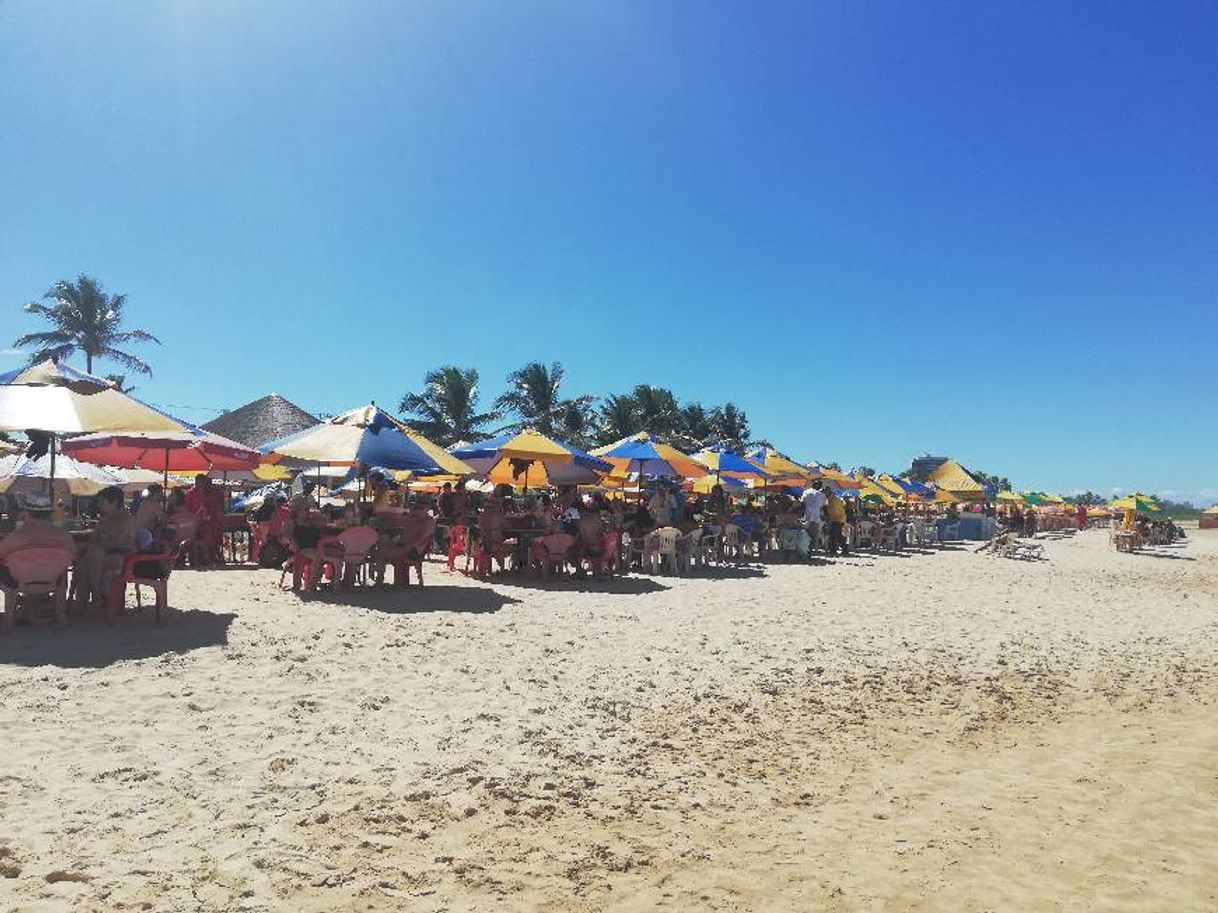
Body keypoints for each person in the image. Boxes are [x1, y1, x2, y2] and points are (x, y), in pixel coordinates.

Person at [0, 492, 75, 589]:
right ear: (50, 513)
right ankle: (60, 603)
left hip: (18, 582)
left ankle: (12, 602)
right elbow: (73, 556)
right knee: (63, 571)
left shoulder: (15, 537)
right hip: (53, 580)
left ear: (26, 512)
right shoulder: (64, 536)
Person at [82, 486, 136, 607]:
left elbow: (117, 543)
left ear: (114, 502)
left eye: (102, 502)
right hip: (105, 553)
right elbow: (93, 540)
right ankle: (82, 603)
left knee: (92, 556)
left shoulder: (126, 519)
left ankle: (95, 595)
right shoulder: (104, 519)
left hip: (124, 557)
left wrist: (98, 545)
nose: (99, 505)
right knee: (84, 561)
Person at [799, 480, 827, 551]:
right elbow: (823, 506)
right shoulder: (822, 494)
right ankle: (814, 549)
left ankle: (807, 548)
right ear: (819, 486)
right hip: (816, 517)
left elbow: (802, 503)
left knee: (806, 533)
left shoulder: (806, 492)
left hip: (807, 516)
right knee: (815, 534)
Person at [825, 490, 850, 557]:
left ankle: (833, 550)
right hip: (841, 519)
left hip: (835, 519)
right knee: (840, 537)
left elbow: (832, 510)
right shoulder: (838, 499)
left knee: (833, 536)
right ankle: (845, 550)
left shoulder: (831, 500)